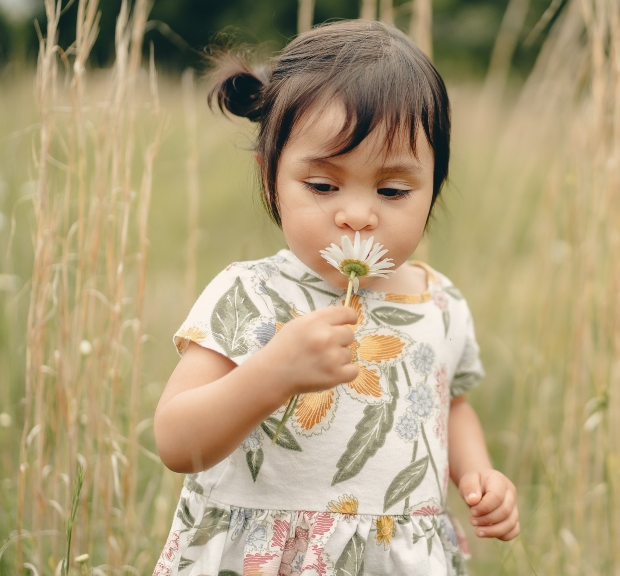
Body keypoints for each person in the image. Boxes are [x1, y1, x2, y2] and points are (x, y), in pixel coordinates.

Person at [152, 20, 519, 576]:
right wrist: (271, 374)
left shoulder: (439, 303)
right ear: (270, 174)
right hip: (270, 558)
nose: (358, 214)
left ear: (434, 187)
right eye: (323, 186)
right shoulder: (250, 294)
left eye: (393, 190)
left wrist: (479, 474)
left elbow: (453, 401)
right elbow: (178, 444)